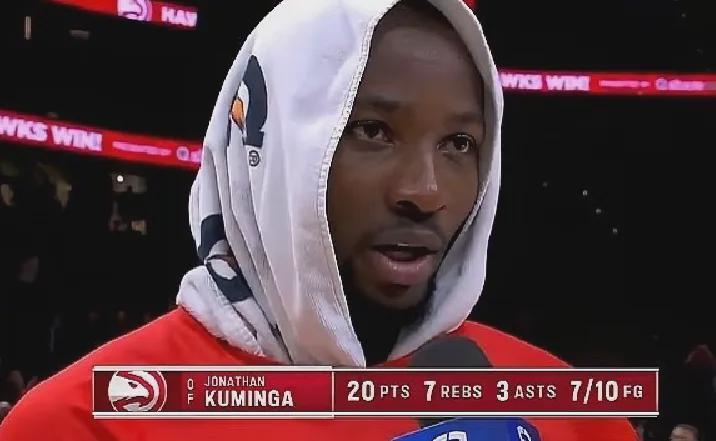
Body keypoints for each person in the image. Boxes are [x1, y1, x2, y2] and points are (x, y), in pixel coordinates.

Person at [0, 0, 638, 439]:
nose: (426, 192)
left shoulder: (572, 416)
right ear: (269, 147)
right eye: (373, 131)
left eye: (458, 144)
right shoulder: (86, 422)